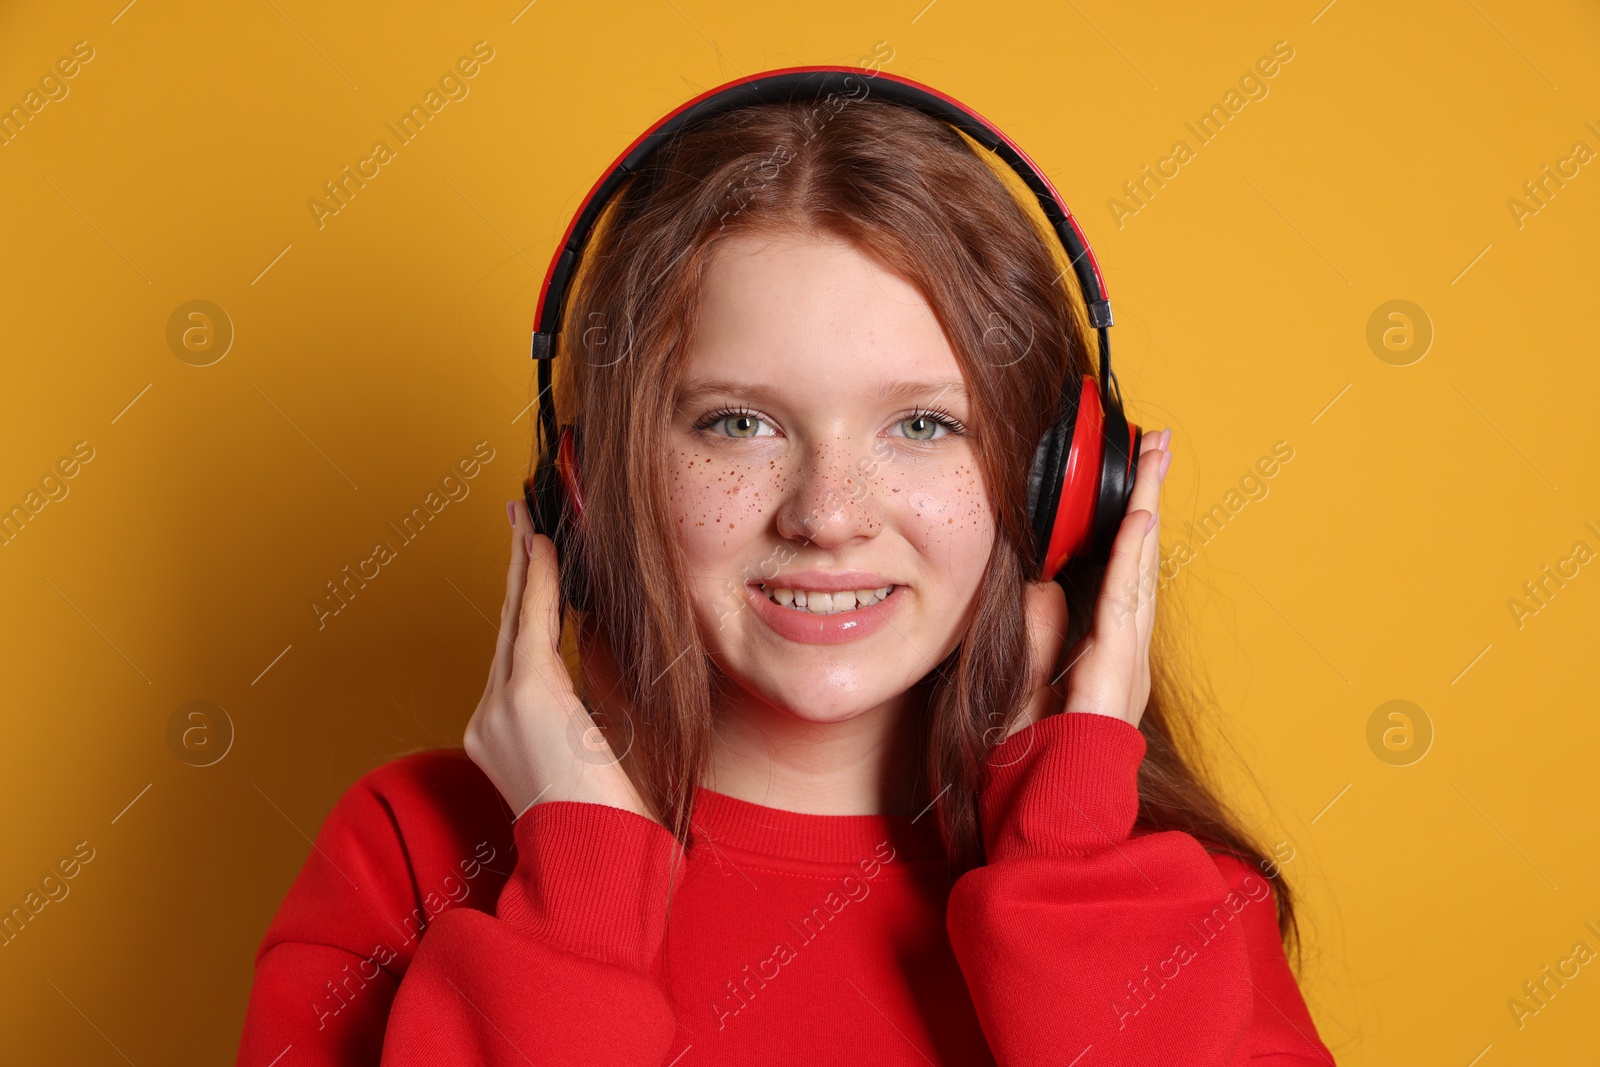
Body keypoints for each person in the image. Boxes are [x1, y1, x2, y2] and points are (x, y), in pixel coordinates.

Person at [236, 92, 1335, 1065]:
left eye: (921, 423)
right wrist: (578, 895)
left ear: (1059, 485)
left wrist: (1073, 857)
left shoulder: (1165, 907)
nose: (827, 514)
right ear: (595, 483)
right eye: (739, 422)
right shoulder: (410, 855)